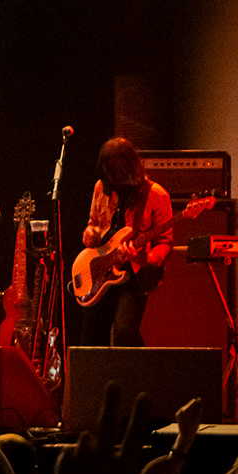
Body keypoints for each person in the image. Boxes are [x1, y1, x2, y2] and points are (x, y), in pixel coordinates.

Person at [79, 136, 172, 347]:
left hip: (135, 276)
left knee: (124, 332)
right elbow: (93, 222)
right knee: (91, 337)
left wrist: (144, 257)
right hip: (102, 273)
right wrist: (89, 233)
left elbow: (165, 242)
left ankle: (137, 376)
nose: (110, 189)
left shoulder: (157, 195)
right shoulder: (101, 188)